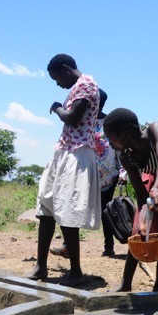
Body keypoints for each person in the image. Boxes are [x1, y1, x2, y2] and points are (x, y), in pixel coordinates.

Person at [26, 54, 102, 286]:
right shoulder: (81, 86)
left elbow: (72, 117)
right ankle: (41, 266)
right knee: (45, 207)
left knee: (67, 212)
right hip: (64, 152)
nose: (57, 83)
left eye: (56, 77)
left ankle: (76, 271)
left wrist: (57, 108)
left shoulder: (87, 84)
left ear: (65, 68)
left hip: (77, 154)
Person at [103, 108, 158, 292]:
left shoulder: (155, 130)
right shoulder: (126, 155)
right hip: (153, 184)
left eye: (112, 138)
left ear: (124, 134)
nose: (110, 143)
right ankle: (125, 284)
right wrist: (142, 214)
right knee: (138, 231)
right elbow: (141, 193)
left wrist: (156, 189)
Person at [49, 88, 121, 258]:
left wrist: (123, 172)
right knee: (73, 205)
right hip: (84, 171)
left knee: (105, 210)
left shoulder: (111, 122)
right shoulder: (84, 120)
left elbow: (120, 146)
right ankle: (68, 245)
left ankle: (108, 246)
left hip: (108, 175)